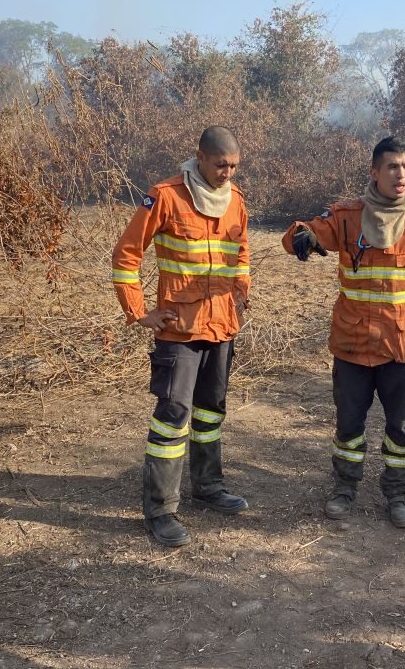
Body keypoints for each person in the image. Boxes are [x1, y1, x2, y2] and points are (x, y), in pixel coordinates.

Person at [281, 136, 405, 528]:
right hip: (352, 344)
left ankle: (399, 492)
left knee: (401, 426)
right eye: (392, 167)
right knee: (348, 424)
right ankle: (344, 487)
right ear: (374, 171)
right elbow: (306, 232)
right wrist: (301, 236)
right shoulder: (348, 217)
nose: (401, 174)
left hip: (403, 345)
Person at [112, 126, 250, 548]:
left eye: (233, 166)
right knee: (173, 417)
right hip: (179, 330)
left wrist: (242, 295)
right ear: (201, 158)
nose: (227, 173)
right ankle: (161, 510)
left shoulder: (236, 202)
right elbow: (125, 255)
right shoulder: (167, 196)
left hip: (221, 326)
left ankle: (208, 487)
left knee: (211, 413)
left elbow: (241, 253)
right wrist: (139, 312)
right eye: (220, 164)